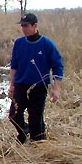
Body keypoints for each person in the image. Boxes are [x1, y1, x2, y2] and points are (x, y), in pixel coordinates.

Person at [8, 13, 64, 143]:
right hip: (21, 85)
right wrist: (12, 85)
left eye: (26, 26)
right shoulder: (19, 43)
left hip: (38, 87)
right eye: (22, 26)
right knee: (14, 115)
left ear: (35, 25)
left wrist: (56, 88)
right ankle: (23, 133)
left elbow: (58, 66)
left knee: (35, 120)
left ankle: (38, 143)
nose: (23, 28)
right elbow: (14, 65)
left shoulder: (47, 44)